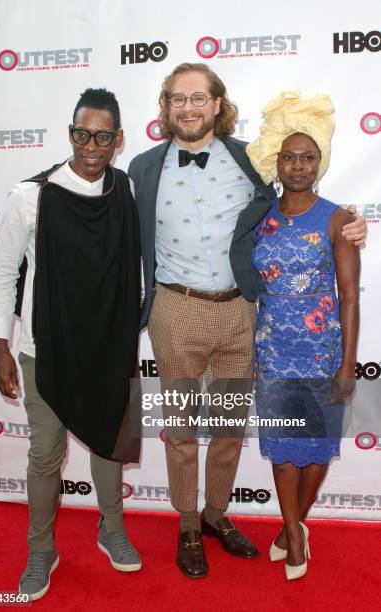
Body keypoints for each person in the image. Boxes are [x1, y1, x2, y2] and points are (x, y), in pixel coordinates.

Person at [128, 63, 366, 578]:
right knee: (181, 429)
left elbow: (297, 201)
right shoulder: (142, 169)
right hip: (174, 308)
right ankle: (189, 523)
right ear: (166, 107)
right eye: (176, 99)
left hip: (241, 312)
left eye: (198, 98)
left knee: (230, 428)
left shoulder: (249, 162)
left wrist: (353, 218)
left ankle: (217, 515)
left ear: (217, 104)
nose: (187, 108)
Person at [0, 88, 142, 601]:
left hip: (108, 348)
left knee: (109, 445)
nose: (90, 145)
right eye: (82, 133)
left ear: (117, 140)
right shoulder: (31, 195)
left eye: (102, 135)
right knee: (44, 456)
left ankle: (111, 528)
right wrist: (1, 346)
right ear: (70, 133)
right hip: (43, 348)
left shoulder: (126, 190)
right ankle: (41, 548)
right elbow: (3, 274)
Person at [246, 90, 360, 580]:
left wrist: (347, 363)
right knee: (283, 448)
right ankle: (294, 535)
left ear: (320, 163)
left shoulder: (338, 218)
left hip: (321, 355)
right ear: (278, 162)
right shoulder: (260, 218)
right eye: (289, 157)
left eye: (307, 157)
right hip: (272, 353)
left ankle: (292, 524)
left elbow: (350, 296)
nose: (298, 166)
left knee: (315, 452)